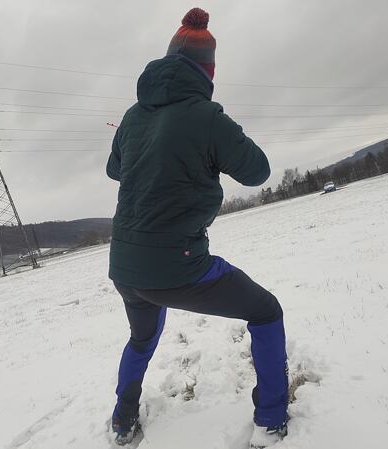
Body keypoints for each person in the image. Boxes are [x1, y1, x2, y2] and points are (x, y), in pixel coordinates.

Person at [106, 7, 289, 447]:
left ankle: (122, 418)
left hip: (125, 268)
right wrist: (217, 136)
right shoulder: (207, 117)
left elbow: (116, 170)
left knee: (141, 338)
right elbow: (258, 171)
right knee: (266, 312)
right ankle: (271, 419)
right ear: (208, 71)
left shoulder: (133, 116)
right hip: (180, 266)